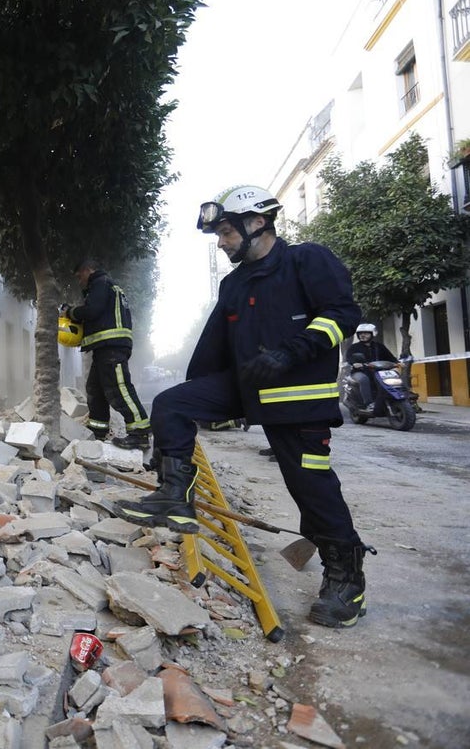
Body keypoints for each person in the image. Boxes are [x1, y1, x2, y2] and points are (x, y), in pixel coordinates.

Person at [114, 184, 375, 629]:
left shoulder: (306, 260)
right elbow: (216, 344)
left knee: (312, 491)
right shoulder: (233, 283)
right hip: (248, 388)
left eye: (226, 232)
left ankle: (347, 580)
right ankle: (175, 496)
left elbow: (342, 314)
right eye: (219, 234)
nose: (221, 242)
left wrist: (291, 352)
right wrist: (201, 392)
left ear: (257, 223)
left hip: (299, 403)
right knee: (172, 404)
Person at [65, 256, 151, 449]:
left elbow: (92, 311)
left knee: (118, 388)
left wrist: (71, 312)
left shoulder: (100, 283)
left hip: (111, 347)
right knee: (95, 390)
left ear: (88, 270)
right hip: (105, 348)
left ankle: (140, 433)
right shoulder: (109, 287)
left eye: (79, 277)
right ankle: (98, 432)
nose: (80, 281)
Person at [345, 323, 396, 411]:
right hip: (360, 371)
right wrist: (354, 363)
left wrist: (398, 363)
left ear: (373, 334)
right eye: (360, 333)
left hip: (378, 371)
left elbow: (390, 357)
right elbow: (349, 358)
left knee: (392, 377)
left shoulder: (379, 346)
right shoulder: (354, 347)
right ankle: (369, 403)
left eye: (366, 333)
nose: (362, 335)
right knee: (363, 379)